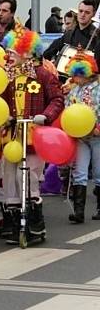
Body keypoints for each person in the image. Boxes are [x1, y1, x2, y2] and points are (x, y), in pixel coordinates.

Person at [0, 29, 64, 243]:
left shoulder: (43, 75)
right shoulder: (7, 76)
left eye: (13, 51)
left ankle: (35, 225)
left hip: (34, 137)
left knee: (26, 177)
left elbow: (57, 99)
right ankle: (16, 224)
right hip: (12, 136)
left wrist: (45, 116)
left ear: (27, 52)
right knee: (9, 179)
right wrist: (3, 116)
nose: (9, 56)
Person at [63, 55, 100, 223]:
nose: (75, 77)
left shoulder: (98, 88)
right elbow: (68, 109)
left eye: (78, 74)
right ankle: (79, 212)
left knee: (99, 173)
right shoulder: (73, 89)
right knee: (80, 173)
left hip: (97, 135)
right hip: (80, 137)